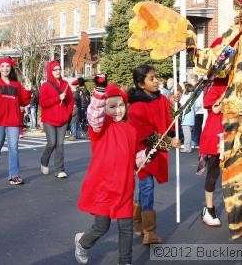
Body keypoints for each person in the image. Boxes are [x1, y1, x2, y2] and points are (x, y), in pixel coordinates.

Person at [74, 75, 157, 265]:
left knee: (126, 227)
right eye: (112, 107)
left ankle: (125, 261)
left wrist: (146, 154)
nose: (118, 110)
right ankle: (83, 242)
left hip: (125, 186)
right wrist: (100, 91)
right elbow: (94, 113)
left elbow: (134, 160)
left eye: (120, 105)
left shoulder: (131, 129)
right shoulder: (100, 129)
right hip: (103, 187)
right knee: (101, 226)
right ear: (105, 109)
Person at [127, 64, 180, 245]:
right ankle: (149, 231)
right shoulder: (136, 107)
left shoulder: (162, 100)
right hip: (143, 153)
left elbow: (171, 120)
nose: (156, 81)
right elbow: (146, 134)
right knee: (147, 187)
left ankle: (137, 222)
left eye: (155, 77)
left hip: (156, 151)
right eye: (151, 78)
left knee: (143, 188)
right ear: (141, 84)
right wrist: (168, 142)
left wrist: (174, 104)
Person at [0, 57, 32, 185]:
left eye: (8, 66)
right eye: (3, 66)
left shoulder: (16, 84)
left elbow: (24, 102)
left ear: (11, 68)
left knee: (13, 148)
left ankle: (14, 175)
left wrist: (27, 91)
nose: (5, 68)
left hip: (13, 121)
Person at [198, 77, 228, 226]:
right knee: (213, 173)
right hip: (217, 135)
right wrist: (229, 95)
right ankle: (209, 209)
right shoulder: (218, 83)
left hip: (236, 133)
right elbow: (214, 108)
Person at [39, 60, 74, 178]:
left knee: (60, 144)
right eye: (55, 69)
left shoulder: (65, 85)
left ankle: (59, 170)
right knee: (52, 143)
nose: (58, 71)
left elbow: (70, 101)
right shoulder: (45, 85)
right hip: (49, 119)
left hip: (62, 119)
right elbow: (43, 103)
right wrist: (58, 98)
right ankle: (44, 160)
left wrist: (67, 113)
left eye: (59, 69)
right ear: (50, 71)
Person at [180, 83, 194, 153]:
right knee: (189, 133)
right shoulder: (193, 96)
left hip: (186, 117)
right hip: (191, 117)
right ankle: (188, 147)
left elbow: (181, 103)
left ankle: (187, 148)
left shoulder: (185, 97)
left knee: (187, 134)